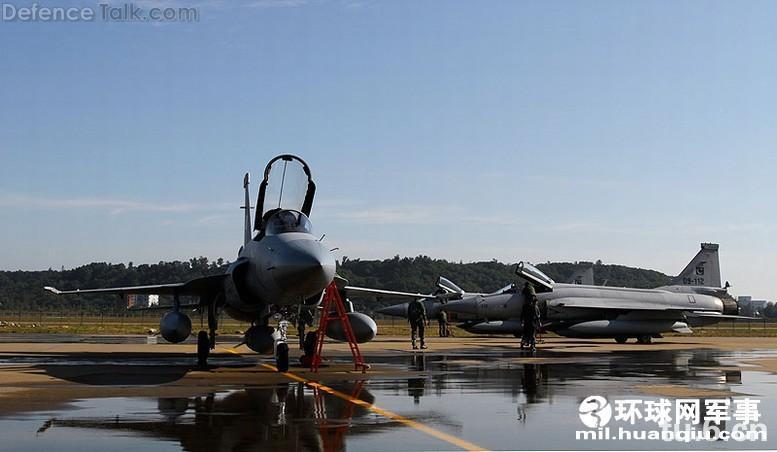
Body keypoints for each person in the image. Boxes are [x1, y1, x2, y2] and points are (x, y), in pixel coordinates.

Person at [521, 282, 540, 351]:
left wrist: (521, 321)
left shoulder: (525, 307)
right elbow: (537, 316)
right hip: (532, 323)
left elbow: (522, 314)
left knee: (525, 333)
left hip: (527, 322)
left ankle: (524, 342)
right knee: (532, 335)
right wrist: (539, 323)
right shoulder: (534, 307)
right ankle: (532, 346)